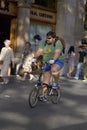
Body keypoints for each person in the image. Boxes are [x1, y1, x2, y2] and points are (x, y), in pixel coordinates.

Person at [33, 31, 65, 101]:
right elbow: (39, 51)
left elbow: (57, 52)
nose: (47, 39)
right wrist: (33, 58)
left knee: (54, 69)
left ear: (53, 38)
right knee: (45, 81)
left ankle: (56, 83)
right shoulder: (43, 42)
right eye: (47, 38)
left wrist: (53, 60)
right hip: (46, 61)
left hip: (58, 60)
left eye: (49, 38)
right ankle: (44, 96)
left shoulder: (58, 42)